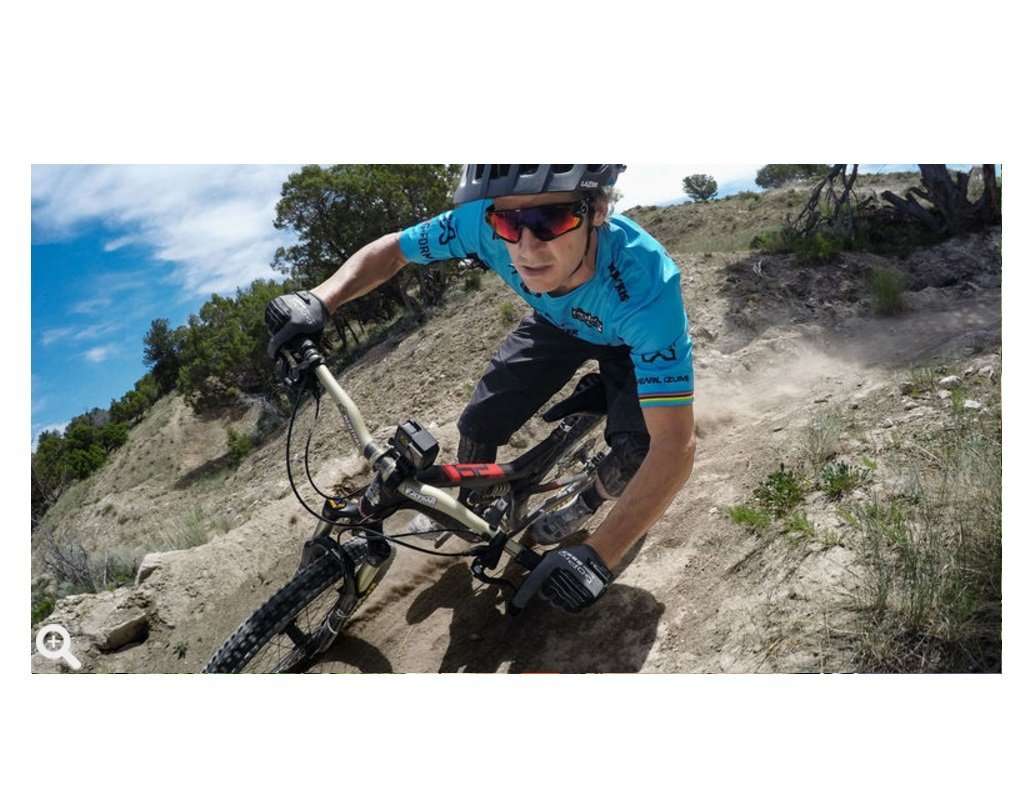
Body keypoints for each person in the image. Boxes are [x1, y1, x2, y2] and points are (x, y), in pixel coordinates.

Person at [265, 164, 695, 612]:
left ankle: (585, 501)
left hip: (628, 341)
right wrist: (321, 298)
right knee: (478, 422)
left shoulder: (647, 288)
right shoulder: (479, 224)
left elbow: (675, 445)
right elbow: (395, 249)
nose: (526, 248)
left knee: (636, 454)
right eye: (508, 223)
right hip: (555, 323)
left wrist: (599, 555)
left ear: (599, 210)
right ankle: (470, 504)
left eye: (551, 219)